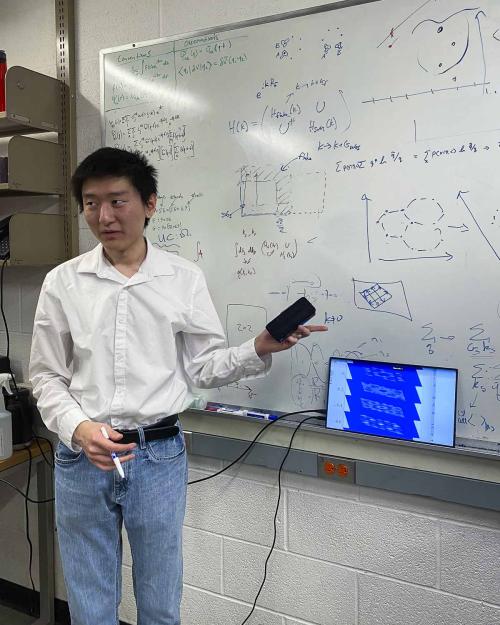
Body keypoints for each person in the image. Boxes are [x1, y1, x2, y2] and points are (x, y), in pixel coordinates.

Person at [29, 147, 327, 625]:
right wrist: (79, 429)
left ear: (150, 204)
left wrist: (260, 346)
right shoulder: (64, 283)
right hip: (82, 455)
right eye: (90, 203)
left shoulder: (182, 278)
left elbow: (203, 368)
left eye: (118, 200)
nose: (104, 216)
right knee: (89, 604)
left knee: (161, 599)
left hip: (157, 454)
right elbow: (45, 376)